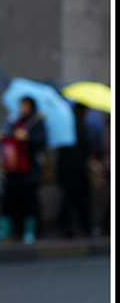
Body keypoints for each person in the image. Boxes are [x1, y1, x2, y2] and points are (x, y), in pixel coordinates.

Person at [0, 95, 47, 244]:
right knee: (9, 200)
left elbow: (41, 143)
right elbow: (6, 136)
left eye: (26, 105)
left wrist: (28, 138)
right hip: (13, 168)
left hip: (29, 169)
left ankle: (29, 231)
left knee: (29, 201)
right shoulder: (15, 120)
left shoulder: (36, 123)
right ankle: (5, 230)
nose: (23, 108)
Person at [55, 102, 93, 238]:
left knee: (69, 200)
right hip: (78, 170)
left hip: (65, 169)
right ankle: (83, 227)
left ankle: (66, 226)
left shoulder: (66, 124)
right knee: (80, 200)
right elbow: (87, 147)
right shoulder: (82, 126)